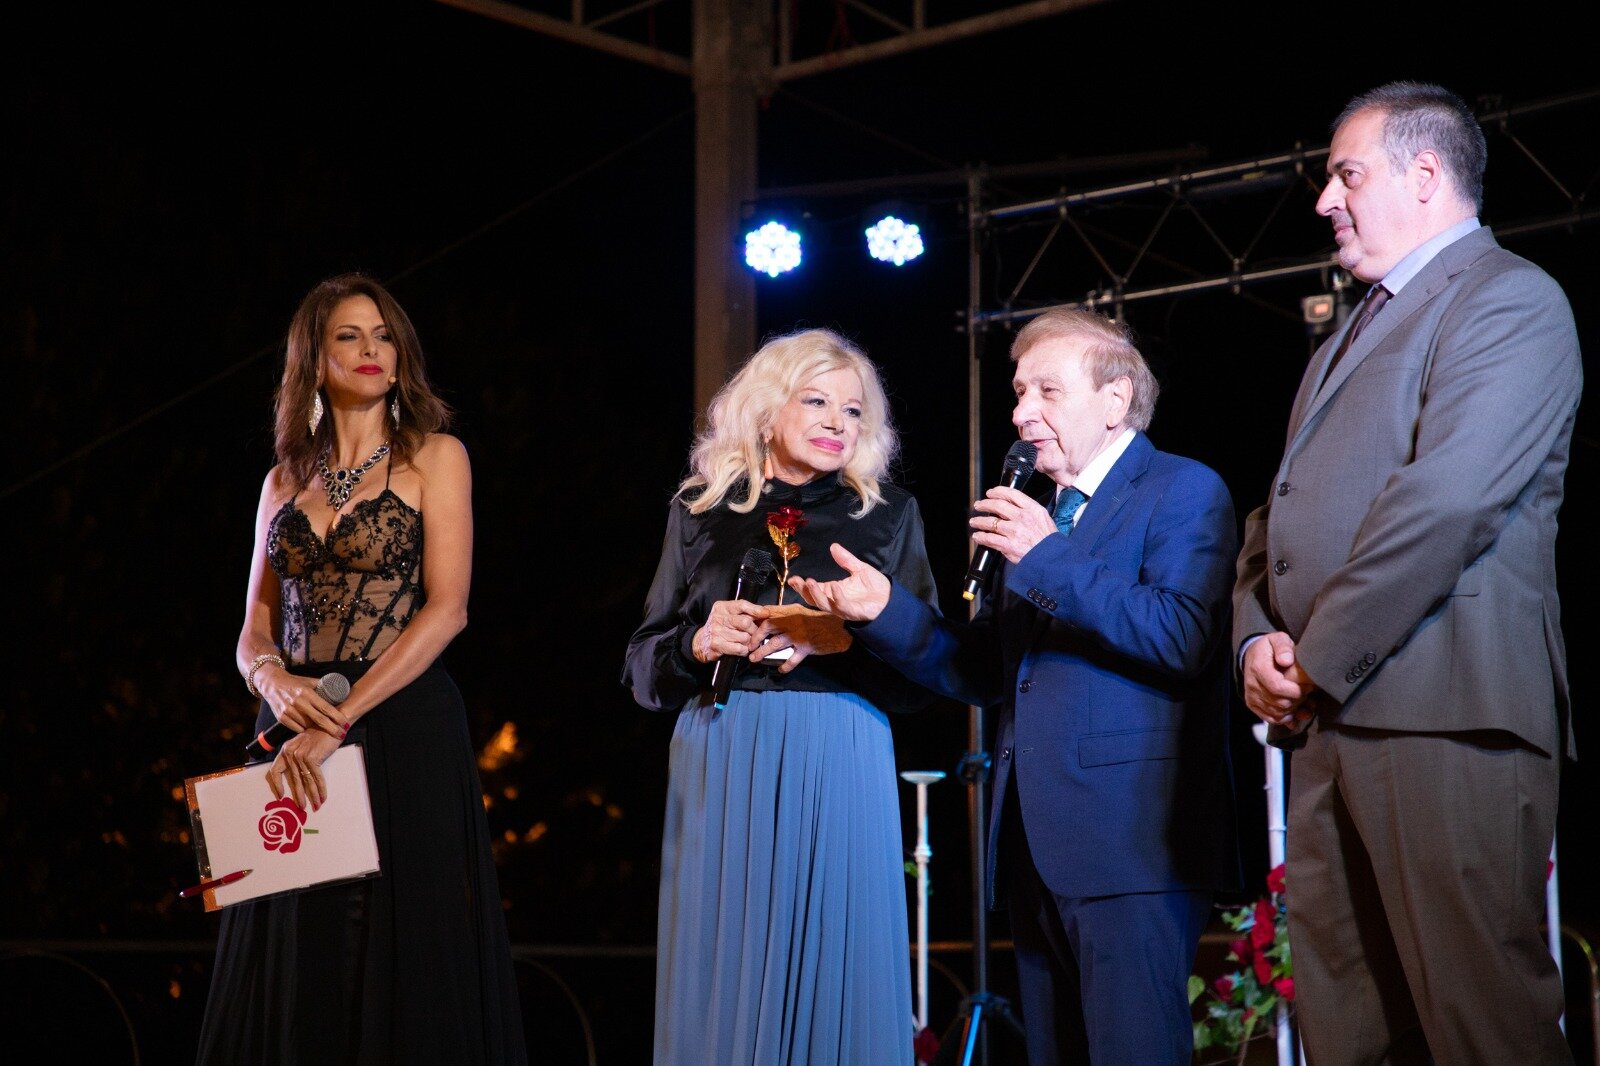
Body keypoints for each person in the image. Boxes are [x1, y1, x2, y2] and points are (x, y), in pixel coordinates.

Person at [1233, 82, 1582, 1063]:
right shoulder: (1342, 335)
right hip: (1326, 727)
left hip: (1443, 712)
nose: (1322, 200)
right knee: (1347, 1036)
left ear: (1424, 175)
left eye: (1344, 174)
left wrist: (1314, 654)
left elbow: (1450, 499)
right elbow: (1277, 518)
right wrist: (1256, 636)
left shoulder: (1510, 298)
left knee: (1483, 1030)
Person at [795, 309, 1238, 1065]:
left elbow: (1180, 636)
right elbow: (981, 672)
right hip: (1034, 850)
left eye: (1045, 390)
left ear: (1115, 399)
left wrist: (1045, 555)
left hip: (1134, 854)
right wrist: (884, 611)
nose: (1020, 412)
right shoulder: (1040, 516)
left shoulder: (1180, 489)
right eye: (1018, 390)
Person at [196, 274, 527, 1064]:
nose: (372, 348)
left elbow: (448, 609)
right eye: (349, 335)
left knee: (402, 946)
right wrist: (276, 688)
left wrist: (334, 723)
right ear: (313, 359)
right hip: (293, 723)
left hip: (399, 717)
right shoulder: (282, 480)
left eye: (382, 335)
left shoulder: (436, 458)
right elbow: (253, 631)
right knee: (295, 945)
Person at [623, 328, 937, 1065]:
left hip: (842, 747)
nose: (837, 422)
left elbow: (928, 670)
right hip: (724, 748)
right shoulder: (699, 512)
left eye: (854, 411)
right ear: (767, 412)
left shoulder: (886, 515)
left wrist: (842, 639)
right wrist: (699, 643)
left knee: (840, 949)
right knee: (724, 956)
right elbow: (641, 667)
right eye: (817, 400)